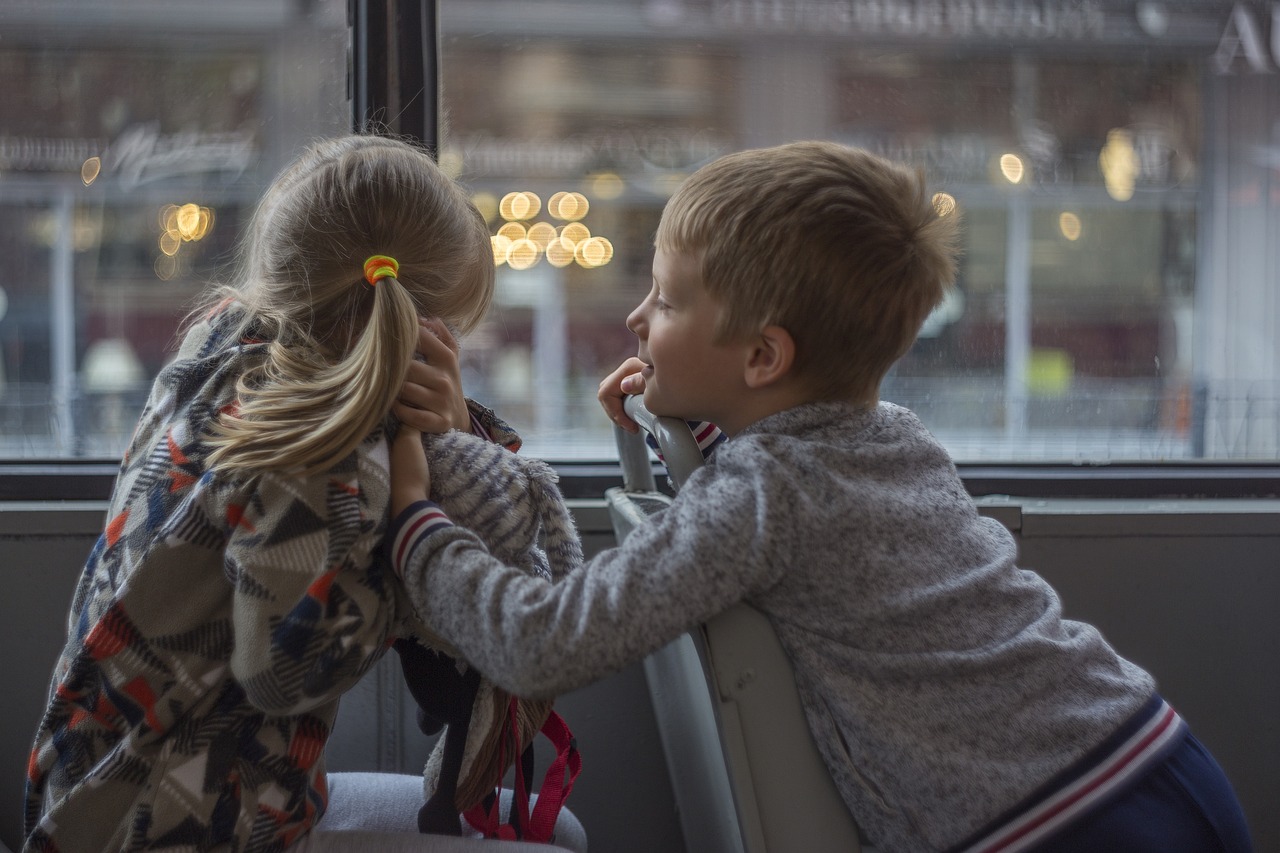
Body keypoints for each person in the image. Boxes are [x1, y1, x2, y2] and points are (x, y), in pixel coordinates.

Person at [386, 141, 1252, 852]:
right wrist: (659, 430)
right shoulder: (888, 434)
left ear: (763, 358)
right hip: (1149, 753)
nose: (636, 320)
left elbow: (544, 643)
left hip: (1068, 820)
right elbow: (769, 485)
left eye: (668, 300)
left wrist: (418, 529)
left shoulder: (767, 495)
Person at [22, 133, 585, 853]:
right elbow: (285, 673)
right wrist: (414, 532)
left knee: (550, 827)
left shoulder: (218, 350)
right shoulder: (325, 450)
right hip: (184, 826)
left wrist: (450, 437)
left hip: (94, 787)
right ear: (418, 339)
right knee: (558, 842)